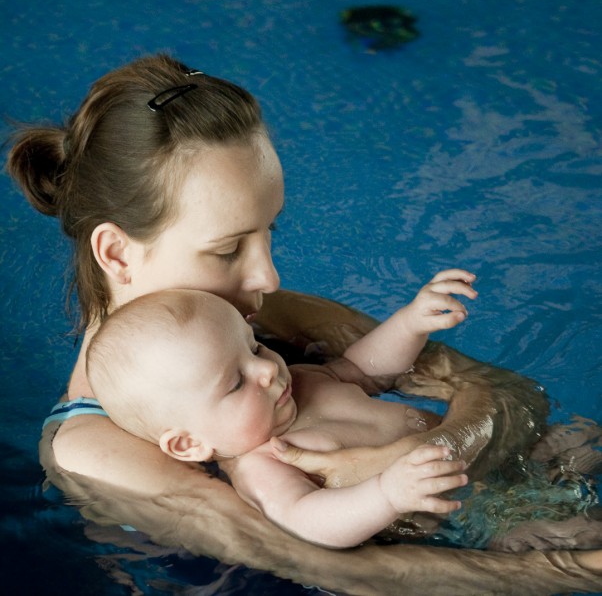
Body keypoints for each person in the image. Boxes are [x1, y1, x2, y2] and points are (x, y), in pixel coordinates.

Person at [6, 53, 601, 593]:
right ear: (116, 253)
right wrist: (578, 570)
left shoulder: (259, 314)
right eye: (228, 249)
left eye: (272, 231)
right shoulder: (95, 450)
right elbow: (343, 571)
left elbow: (513, 396)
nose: (268, 275)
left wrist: (424, 451)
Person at [86, 273, 476, 548]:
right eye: (236, 382)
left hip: (468, 452)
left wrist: (410, 323)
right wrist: (387, 495)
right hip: (457, 510)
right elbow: (310, 520)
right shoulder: (262, 468)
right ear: (189, 444)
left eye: (253, 347)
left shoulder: (305, 380)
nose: (267, 368)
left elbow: (368, 370)